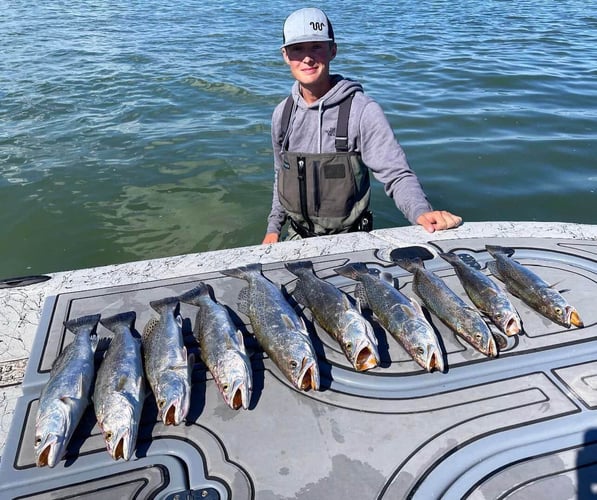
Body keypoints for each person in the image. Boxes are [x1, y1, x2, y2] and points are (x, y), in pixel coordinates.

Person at [262, 8, 462, 244]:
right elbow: (281, 174)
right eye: (298, 48)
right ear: (285, 55)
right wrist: (273, 228)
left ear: (332, 50)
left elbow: (396, 174)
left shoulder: (362, 110)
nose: (307, 58)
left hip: (352, 240)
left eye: (316, 46)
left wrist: (421, 212)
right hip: (297, 237)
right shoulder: (282, 114)